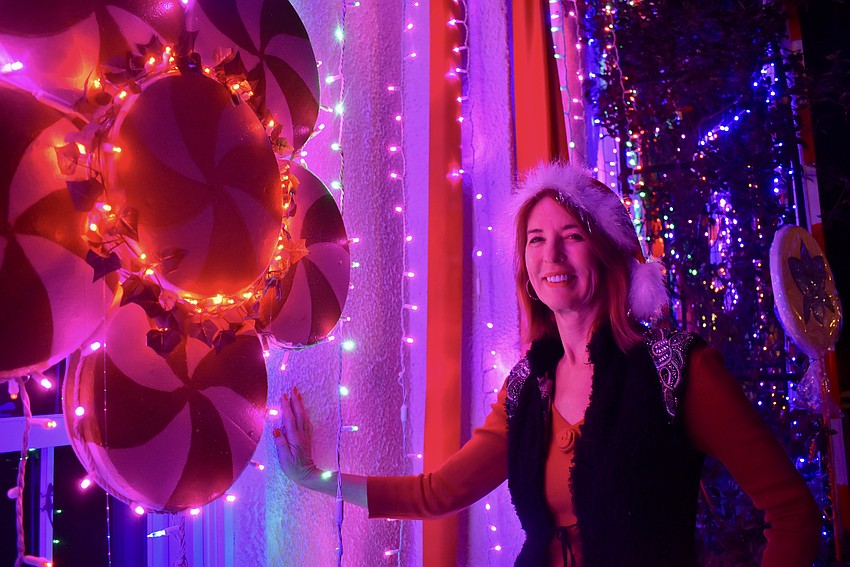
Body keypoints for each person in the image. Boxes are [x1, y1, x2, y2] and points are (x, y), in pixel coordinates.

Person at [275, 162, 821, 566]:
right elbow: (435, 493)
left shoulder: (678, 371)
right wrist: (313, 477)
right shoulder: (527, 389)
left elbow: (794, 513)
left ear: (608, 252)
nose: (551, 257)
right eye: (536, 240)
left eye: (572, 237)